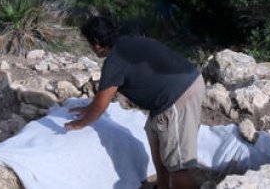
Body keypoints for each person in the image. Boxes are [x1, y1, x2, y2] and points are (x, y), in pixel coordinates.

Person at [66, 15, 206, 189]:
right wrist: (89, 108)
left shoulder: (115, 62)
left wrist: (80, 123)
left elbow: (101, 106)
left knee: (178, 164)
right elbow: (99, 102)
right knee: (154, 131)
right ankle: (162, 186)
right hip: (179, 88)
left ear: (96, 43)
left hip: (179, 94)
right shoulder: (128, 43)